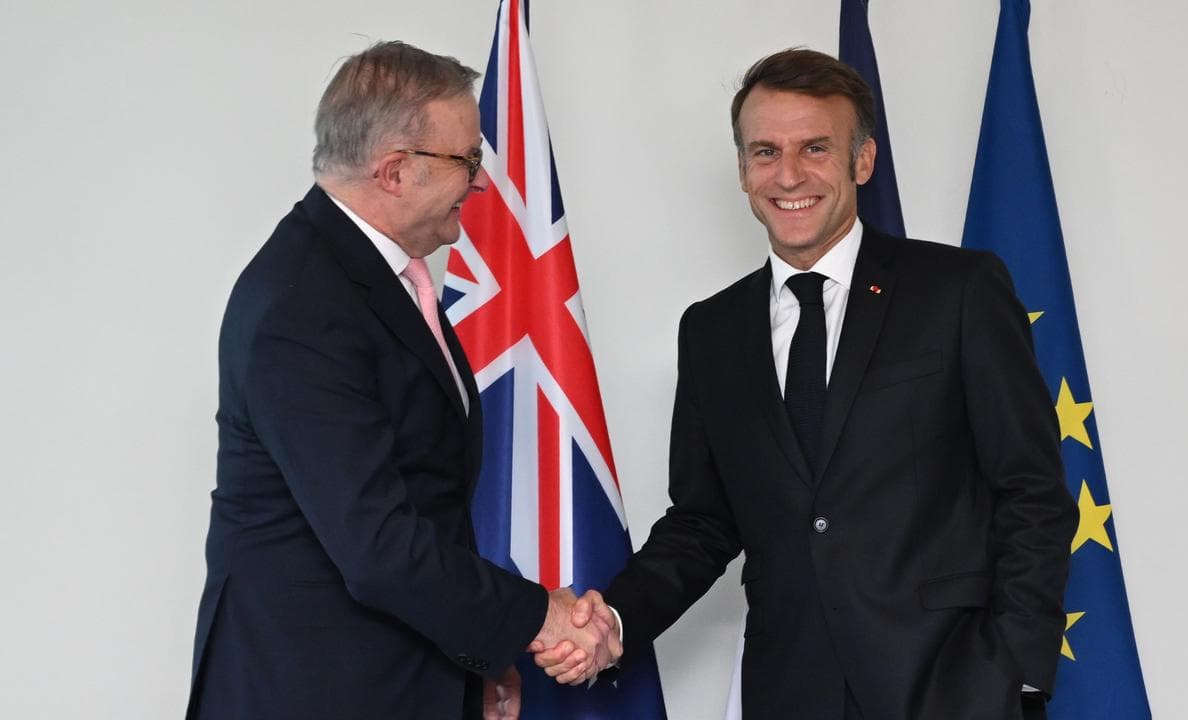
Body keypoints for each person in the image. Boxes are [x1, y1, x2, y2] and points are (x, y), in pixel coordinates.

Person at [539, 48, 1077, 719]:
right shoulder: (711, 330)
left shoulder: (958, 291)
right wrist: (615, 621)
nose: (788, 174)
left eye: (815, 147)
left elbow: (1031, 489)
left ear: (862, 160)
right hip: (790, 687)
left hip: (951, 685)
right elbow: (703, 522)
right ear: (741, 170)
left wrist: (1014, 670)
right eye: (764, 151)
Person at [186, 41, 618, 720]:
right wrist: (540, 618)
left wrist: (481, 653)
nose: (481, 183)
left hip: (391, 680)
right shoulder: (303, 302)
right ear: (393, 170)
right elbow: (379, 548)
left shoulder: (375, 278)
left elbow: (427, 505)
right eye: (468, 160)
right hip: (310, 692)